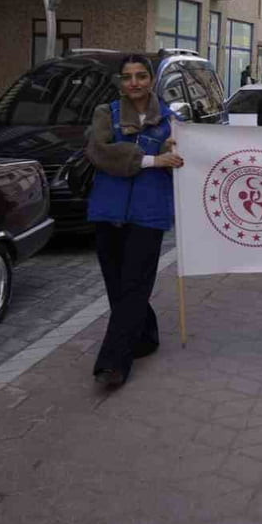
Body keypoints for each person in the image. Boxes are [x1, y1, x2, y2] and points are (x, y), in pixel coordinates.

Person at [84, 54, 185, 389]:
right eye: (128, 77)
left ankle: (113, 363)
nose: (135, 83)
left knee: (134, 285)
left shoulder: (172, 120)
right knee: (117, 285)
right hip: (107, 211)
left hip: (149, 213)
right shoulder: (105, 114)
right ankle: (145, 336)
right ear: (120, 82)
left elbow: (183, 162)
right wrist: (153, 159)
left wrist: (179, 151)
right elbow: (100, 153)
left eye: (141, 76)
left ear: (152, 79)